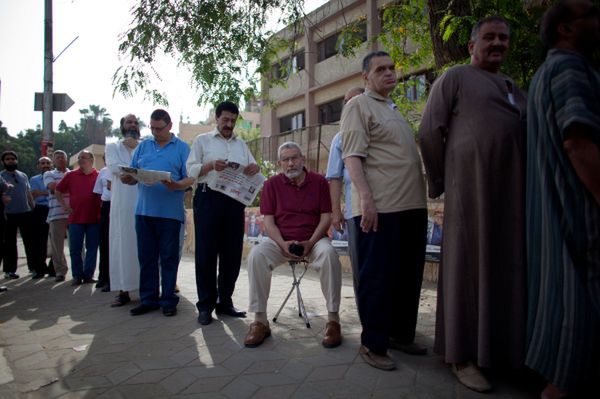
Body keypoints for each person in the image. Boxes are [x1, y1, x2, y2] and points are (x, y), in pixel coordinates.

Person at [418, 16, 527, 392]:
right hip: (471, 190)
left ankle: (500, 352)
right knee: (467, 264)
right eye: (490, 37)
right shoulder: (456, 78)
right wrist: (442, 181)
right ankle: (462, 355)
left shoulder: (515, 87)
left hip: (511, 194)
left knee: (506, 266)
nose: (498, 43)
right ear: (471, 45)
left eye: (504, 38)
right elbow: (430, 130)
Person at [526, 2, 600, 397]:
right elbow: (577, 141)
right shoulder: (569, 69)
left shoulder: (541, 76)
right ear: (566, 29)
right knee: (581, 311)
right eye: (592, 14)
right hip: (579, 211)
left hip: (556, 212)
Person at [341, 51, 428, 371]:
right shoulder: (358, 106)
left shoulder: (393, 109)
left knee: (407, 277)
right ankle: (373, 344)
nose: (389, 73)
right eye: (381, 69)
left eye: (392, 68)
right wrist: (366, 199)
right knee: (377, 277)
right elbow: (352, 157)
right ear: (366, 77)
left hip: (412, 207)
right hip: (383, 207)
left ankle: (401, 336)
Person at [244, 142, 342, 349]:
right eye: (286, 160)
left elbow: (326, 217)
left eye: (294, 158)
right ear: (280, 163)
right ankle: (260, 321)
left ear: (303, 159)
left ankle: (333, 320)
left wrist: (310, 242)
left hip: (313, 240)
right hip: (281, 241)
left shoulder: (319, 182)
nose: (290, 163)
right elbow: (268, 223)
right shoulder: (270, 185)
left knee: (329, 254)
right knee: (257, 255)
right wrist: (283, 244)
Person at [186, 101, 260, 325]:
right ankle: (205, 306)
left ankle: (225, 302)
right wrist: (209, 166)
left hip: (234, 202)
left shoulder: (241, 145)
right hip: (209, 199)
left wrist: (254, 168)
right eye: (225, 120)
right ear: (216, 118)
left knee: (232, 254)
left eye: (232, 120)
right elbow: (190, 170)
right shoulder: (202, 141)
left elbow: (253, 168)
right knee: (206, 253)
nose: (229, 124)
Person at [122, 109, 192, 317]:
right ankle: (148, 299)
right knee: (146, 258)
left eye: (159, 128)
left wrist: (177, 184)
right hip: (143, 212)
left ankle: (168, 300)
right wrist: (129, 178)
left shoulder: (182, 148)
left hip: (170, 215)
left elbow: (191, 178)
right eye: (152, 128)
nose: (155, 132)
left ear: (170, 126)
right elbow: (133, 172)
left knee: (169, 258)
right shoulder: (143, 146)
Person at [325, 87, 364, 297]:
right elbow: (334, 177)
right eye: (348, 101)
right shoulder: (340, 138)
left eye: (358, 100)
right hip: (355, 213)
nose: (353, 105)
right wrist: (335, 212)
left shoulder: (378, 130)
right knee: (361, 265)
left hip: (387, 207)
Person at [106, 114, 141, 306]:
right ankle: (123, 290)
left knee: (144, 246)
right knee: (122, 245)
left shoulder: (145, 146)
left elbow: (150, 168)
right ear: (122, 126)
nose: (133, 125)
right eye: (129, 122)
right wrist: (136, 170)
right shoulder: (113, 147)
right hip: (122, 205)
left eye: (136, 123)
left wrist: (137, 149)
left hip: (144, 203)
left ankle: (149, 289)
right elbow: (114, 168)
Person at [55, 150, 102, 285]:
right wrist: (64, 206)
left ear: (91, 160)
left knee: (92, 248)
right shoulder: (71, 175)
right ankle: (77, 276)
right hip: (75, 218)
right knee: (75, 248)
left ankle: (88, 275)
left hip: (94, 218)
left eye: (84, 157)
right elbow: (58, 190)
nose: (81, 160)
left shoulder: (98, 175)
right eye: (79, 158)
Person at [1, 151, 36, 279]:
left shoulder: (23, 176)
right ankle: (9, 270)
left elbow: (28, 193)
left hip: (25, 212)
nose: (11, 161)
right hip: (8, 214)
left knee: (29, 241)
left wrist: (33, 208)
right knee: (9, 244)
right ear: (3, 162)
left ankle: (33, 267)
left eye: (13, 159)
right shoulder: (1, 176)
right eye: (8, 159)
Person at [44, 150, 70, 282]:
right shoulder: (49, 174)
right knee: (57, 246)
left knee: (77, 245)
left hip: (73, 213)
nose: (60, 159)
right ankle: (60, 271)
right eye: (57, 158)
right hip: (56, 214)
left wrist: (62, 188)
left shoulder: (72, 173)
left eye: (62, 157)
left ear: (67, 160)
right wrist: (71, 187)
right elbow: (52, 186)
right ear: (53, 161)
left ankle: (79, 270)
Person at [29, 156, 53, 278]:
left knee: (55, 239)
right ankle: (40, 269)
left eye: (48, 163)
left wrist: (43, 192)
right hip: (40, 210)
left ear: (51, 164)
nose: (45, 165)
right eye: (43, 163)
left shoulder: (55, 176)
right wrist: (49, 191)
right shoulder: (33, 179)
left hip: (53, 208)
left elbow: (52, 191)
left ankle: (53, 268)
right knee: (40, 241)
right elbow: (35, 194)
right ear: (38, 165)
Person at [93, 159, 111, 290]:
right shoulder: (104, 172)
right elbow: (98, 191)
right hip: (107, 207)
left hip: (121, 206)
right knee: (104, 243)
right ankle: (103, 277)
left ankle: (113, 279)